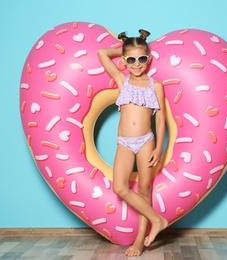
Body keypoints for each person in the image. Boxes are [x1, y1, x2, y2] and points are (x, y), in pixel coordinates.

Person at [97, 29, 168, 256]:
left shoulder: (156, 86)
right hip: (125, 142)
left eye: (142, 59)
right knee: (120, 187)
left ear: (149, 59)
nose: (137, 64)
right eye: (131, 59)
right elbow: (101, 53)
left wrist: (158, 148)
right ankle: (157, 220)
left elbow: (161, 119)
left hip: (147, 141)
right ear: (125, 61)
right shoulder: (122, 80)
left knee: (145, 189)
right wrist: (126, 48)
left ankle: (139, 241)